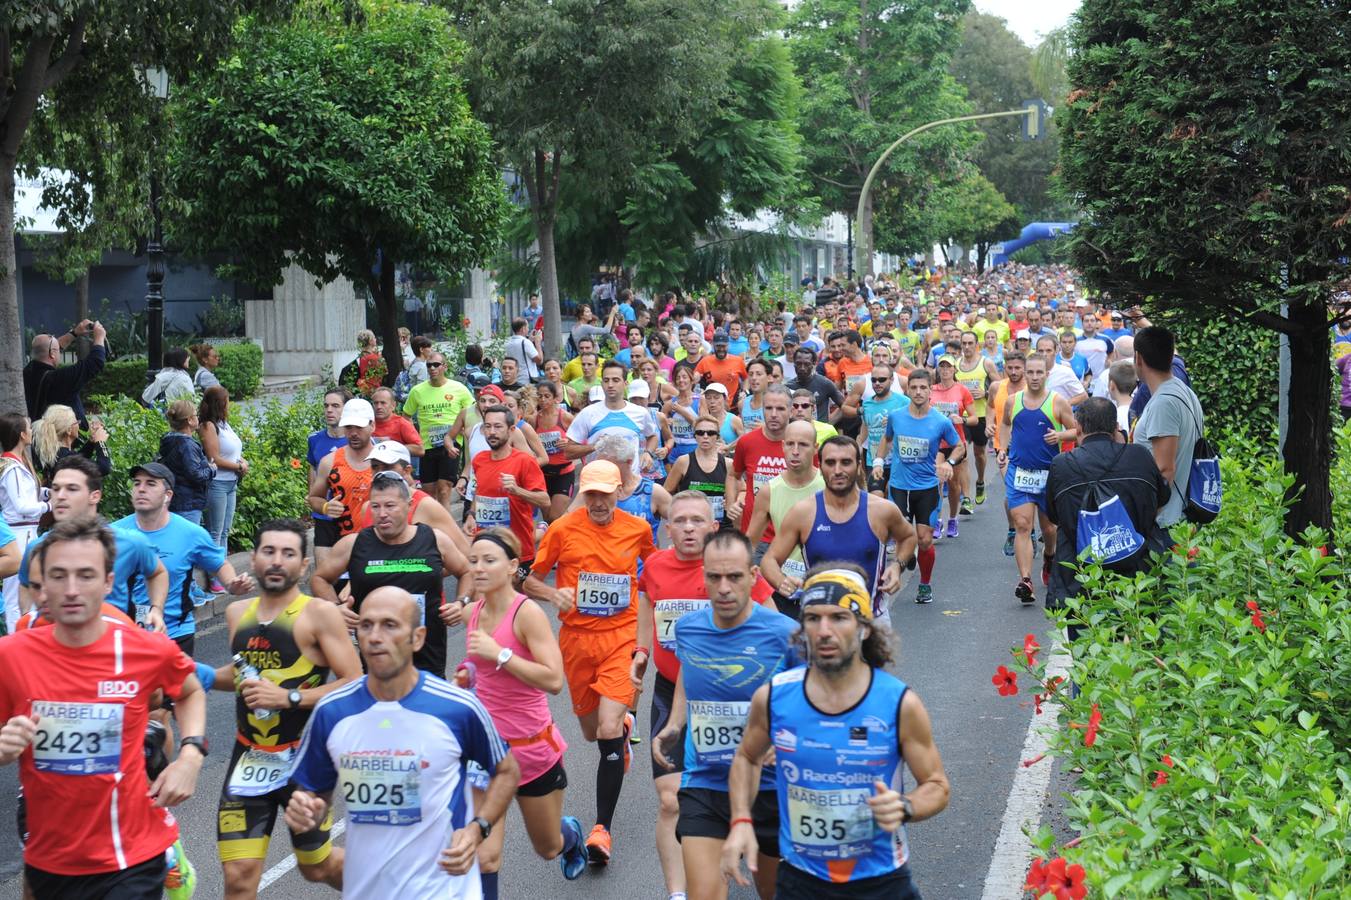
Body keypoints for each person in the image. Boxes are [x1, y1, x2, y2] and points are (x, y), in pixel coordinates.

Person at [0, 516, 208, 900]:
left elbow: (190, 690)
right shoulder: (10, 656)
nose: (72, 590)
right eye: (59, 576)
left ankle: (168, 851)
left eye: (86, 575)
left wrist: (191, 756)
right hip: (50, 858)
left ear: (108, 582)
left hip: (131, 854)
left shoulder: (144, 648)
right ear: (41, 585)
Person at [721, 565, 951, 900]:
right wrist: (741, 820)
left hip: (881, 882)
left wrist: (905, 806)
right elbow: (746, 757)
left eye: (839, 618)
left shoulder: (898, 703)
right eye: (813, 618)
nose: (824, 631)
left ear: (864, 628)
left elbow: (937, 785)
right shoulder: (773, 697)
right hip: (801, 882)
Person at [284, 586, 521, 900]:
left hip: (445, 890)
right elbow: (314, 795)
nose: (375, 636)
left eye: (389, 625)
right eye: (366, 625)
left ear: (417, 637)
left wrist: (478, 828)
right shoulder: (332, 712)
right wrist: (308, 814)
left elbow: (507, 771)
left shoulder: (457, 708)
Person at [631, 492, 772, 900]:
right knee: (670, 800)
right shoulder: (655, 566)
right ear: (667, 528)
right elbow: (647, 603)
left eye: (697, 520)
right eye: (680, 521)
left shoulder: (729, 568)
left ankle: (723, 855)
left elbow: (775, 628)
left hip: (732, 700)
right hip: (672, 691)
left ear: (713, 527)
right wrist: (641, 651)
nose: (688, 528)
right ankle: (679, 892)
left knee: (729, 789)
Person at [212, 519, 361, 900]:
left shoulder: (320, 614)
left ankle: (387, 887)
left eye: (288, 553)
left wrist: (288, 698)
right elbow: (243, 674)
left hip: (305, 762)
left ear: (304, 565)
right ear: (254, 559)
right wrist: (196, 676)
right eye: (269, 551)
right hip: (249, 758)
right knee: (239, 876)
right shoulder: (237, 613)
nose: (277, 561)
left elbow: (353, 682)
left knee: (316, 866)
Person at [522, 460, 657, 865]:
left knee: (608, 728)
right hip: (577, 641)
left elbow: (654, 574)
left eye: (606, 494)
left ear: (619, 492)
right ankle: (620, 733)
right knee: (591, 731)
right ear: (583, 492)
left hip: (621, 636)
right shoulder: (563, 529)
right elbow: (529, 579)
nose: (599, 502)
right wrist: (552, 595)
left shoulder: (638, 529)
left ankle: (602, 830)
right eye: (592, 494)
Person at [652, 530, 798, 900]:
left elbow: (813, 698)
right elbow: (688, 672)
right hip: (706, 782)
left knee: (775, 893)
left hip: (770, 787)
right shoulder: (688, 628)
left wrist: (788, 739)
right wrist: (675, 722)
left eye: (734, 576)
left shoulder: (785, 634)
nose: (724, 588)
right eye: (714, 577)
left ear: (753, 575)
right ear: (703, 576)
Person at [460, 529, 590, 894]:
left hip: (530, 750)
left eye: (489, 560)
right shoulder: (473, 612)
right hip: (486, 753)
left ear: (512, 566)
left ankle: (569, 835)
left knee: (547, 847)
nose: (479, 568)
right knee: (484, 857)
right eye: (473, 561)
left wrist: (499, 653)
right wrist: (465, 676)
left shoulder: (527, 614)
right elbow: (480, 671)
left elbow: (554, 680)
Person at [312, 472, 467, 677]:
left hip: (428, 656)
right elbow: (319, 578)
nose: (382, 513)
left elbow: (466, 571)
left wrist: (461, 603)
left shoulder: (434, 540)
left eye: (390, 506)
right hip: (377, 659)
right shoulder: (354, 544)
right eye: (375, 506)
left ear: (409, 505)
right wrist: (335, 607)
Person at [762, 437, 915, 627]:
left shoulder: (882, 510)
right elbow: (769, 560)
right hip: (822, 625)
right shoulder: (803, 513)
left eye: (846, 462)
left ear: (859, 466)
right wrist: (782, 582)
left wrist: (898, 565)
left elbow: (908, 537)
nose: (837, 470)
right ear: (820, 466)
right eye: (830, 462)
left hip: (872, 622)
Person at [1046, 398, 1171, 627]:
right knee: (1141, 636)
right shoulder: (1139, 456)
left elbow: (1054, 515)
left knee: (1086, 641)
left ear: (1078, 428)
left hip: (1082, 579)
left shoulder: (1061, 465)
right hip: (1137, 572)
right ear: (1115, 428)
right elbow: (1162, 499)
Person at [114, 461, 254, 654]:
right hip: (127, 635)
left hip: (175, 633)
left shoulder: (190, 533)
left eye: (151, 484)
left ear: (168, 495)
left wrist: (232, 584)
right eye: (137, 483)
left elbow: (219, 564)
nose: (141, 489)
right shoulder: (113, 533)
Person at [18, 455, 169, 631]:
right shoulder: (37, 548)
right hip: (57, 641)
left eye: (71, 489)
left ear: (95, 496)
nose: (60, 496)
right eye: (56, 489)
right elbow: (26, 584)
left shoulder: (130, 542)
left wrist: (156, 610)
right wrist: (27, 619)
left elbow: (157, 572)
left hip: (114, 640)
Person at [875, 369, 964, 604]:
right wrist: (878, 461)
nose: (918, 392)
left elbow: (959, 446)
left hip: (926, 488)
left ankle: (924, 583)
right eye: (913, 387)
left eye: (923, 387)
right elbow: (887, 438)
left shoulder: (941, 421)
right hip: (899, 487)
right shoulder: (896, 417)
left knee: (924, 540)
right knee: (900, 535)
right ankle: (907, 552)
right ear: (908, 390)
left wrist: (949, 463)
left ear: (930, 390)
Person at [998, 355, 1079, 603]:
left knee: (1050, 529)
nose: (1034, 377)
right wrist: (1002, 449)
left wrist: (1061, 436)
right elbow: (1005, 424)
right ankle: (1026, 580)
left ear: (1046, 374)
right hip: (1019, 472)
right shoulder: (1013, 401)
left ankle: (1049, 556)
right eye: (1030, 372)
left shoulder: (1057, 401)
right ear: (1025, 374)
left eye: (1038, 373)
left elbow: (1077, 430)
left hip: (1049, 475)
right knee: (1022, 525)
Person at [1131, 325, 1205, 534]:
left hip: (1167, 524)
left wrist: (1145, 518)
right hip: (1181, 518)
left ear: (1138, 358)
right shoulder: (1184, 391)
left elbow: (1165, 470)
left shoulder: (1163, 403)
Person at [744, 420, 822, 616]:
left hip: (823, 585)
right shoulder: (769, 490)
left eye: (803, 445)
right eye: (790, 444)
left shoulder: (828, 485)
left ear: (815, 448)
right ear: (783, 446)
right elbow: (750, 542)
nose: (795, 451)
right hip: (784, 585)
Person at [470, 405, 550, 574]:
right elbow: (480, 491)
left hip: (517, 548)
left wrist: (517, 490)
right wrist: (471, 515)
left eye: (498, 426)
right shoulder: (479, 460)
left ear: (511, 430)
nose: (492, 432)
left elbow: (545, 501)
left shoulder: (525, 461)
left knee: (517, 592)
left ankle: (542, 530)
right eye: (488, 426)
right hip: (487, 547)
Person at [403, 350, 475, 512]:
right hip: (427, 446)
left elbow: (472, 412)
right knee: (428, 492)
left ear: (445, 367)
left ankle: (445, 525)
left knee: (444, 488)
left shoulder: (459, 388)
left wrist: (464, 429)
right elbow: (406, 416)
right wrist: (414, 436)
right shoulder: (417, 391)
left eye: (436, 365)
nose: (432, 368)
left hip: (451, 445)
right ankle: (433, 523)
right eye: (429, 365)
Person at [565, 360, 659, 476]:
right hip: (599, 481)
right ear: (601, 383)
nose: (610, 385)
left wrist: (648, 453)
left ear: (625, 383)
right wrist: (594, 446)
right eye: (606, 380)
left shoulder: (640, 412)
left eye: (615, 380)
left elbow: (653, 436)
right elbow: (568, 452)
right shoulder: (588, 413)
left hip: (630, 482)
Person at [0, 414, 49, 631]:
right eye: (29, 428)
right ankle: (14, 639)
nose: (31, 431)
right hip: (18, 535)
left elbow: (27, 495)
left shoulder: (16, 464)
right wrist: (49, 506)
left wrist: (46, 493)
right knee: (14, 594)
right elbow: (22, 506)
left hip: (26, 533)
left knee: (29, 588)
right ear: (21, 434)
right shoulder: (12, 468)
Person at [306, 398, 376, 538]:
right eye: (348, 427)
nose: (353, 433)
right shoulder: (329, 462)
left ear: (372, 426)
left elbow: (410, 496)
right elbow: (314, 498)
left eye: (359, 427)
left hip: (381, 541)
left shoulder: (386, 460)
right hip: (343, 540)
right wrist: (326, 507)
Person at [199, 385, 247, 576]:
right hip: (217, 483)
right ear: (219, 404)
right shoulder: (208, 426)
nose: (229, 405)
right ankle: (214, 576)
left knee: (225, 530)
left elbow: (233, 450)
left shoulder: (224, 424)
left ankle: (223, 572)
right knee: (215, 532)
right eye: (226, 401)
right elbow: (214, 459)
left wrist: (242, 461)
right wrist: (238, 467)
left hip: (231, 483)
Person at [23, 319, 106, 425]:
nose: (60, 351)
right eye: (58, 350)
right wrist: (99, 337)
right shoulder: (58, 379)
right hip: (64, 434)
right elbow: (95, 362)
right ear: (52, 354)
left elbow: (49, 348)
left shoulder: (27, 372)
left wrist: (74, 333)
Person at [987, 351, 1027, 557]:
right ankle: (1014, 530)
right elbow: (990, 406)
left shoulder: (1032, 388)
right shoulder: (996, 387)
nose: (1013, 371)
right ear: (1004, 368)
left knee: (1027, 492)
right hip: (1003, 446)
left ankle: (1027, 529)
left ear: (1024, 369)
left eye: (1017, 368)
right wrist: (989, 424)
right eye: (1010, 368)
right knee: (1012, 490)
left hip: (1028, 447)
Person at [664, 415, 738, 526]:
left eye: (711, 433)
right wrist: (678, 511)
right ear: (695, 436)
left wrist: (732, 502)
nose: (705, 436)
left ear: (717, 436)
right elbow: (666, 492)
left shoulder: (728, 464)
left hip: (721, 525)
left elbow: (743, 491)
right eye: (700, 433)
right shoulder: (683, 462)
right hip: (691, 525)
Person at [307, 388, 352, 566]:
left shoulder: (356, 440)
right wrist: (312, 498)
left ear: (346, 409)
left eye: (335, 406)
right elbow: (313, 467)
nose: (329, 410)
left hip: (350, 516)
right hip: (324, 516)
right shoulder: (314, 439)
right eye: (326, 406)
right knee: (323, 571)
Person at [955, 333, 999, 505]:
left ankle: (980, 481)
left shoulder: (986, 363)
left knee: (979, 454)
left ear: (976, 345)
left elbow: (999, 387)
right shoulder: (955, 365)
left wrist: (985, 393)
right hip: (962, 416)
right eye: (964, 343)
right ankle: (966, 496)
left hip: (980, 415)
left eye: (970, 343)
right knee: (963, 454)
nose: (967, 347)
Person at [157, 399, 214, 527]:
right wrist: (211, 469)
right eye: (196, 415)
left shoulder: (168, 440)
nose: (198, 417)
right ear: (189, 420)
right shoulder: (187, 445)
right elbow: (195, 474)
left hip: (173, 500)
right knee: (188, 536)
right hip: (188, 504)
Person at [857, 363, 908, 497]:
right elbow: (866, 426)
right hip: (873, 459)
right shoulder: (867, 403)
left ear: (891, 380)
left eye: (882, 380)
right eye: (874, 380)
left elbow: (913, 427)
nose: (877, 383)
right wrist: (859, 444)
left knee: (891, 494)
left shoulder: (904, 402)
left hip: (897, 460)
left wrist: (896, 424)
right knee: (876, 496)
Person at [530, 381, 576, 522]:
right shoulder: (534, 419)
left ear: (555, 398)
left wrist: (568, 442)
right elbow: (528, 443)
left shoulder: (565, 417)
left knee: (555, 517)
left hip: (564, 473)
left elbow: (581, 440)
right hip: (543, 474)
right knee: (546, 519)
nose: (543, 400)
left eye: (547, 396)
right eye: (540, 396)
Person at [31, 403, 110, 482]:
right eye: (76, 422)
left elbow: (79, 459)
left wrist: (91, 442)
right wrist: (101, 442)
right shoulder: (68, 459)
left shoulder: (55, 452)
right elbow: (103, 468)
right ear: (69, 430)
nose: (79, 425)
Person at [785, 347, 843, 423]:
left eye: (807, 364)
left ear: (814, 364)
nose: (802, 368)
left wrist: (829, 424)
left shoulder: (824, 383)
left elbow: (844, 406)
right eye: (799, 364)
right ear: (794, 364)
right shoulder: (788, 387)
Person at [370, 386, 425, 460]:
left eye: (383, 403)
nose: (379, 407)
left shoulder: (402, 424)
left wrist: (392, 446)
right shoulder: (366, 424)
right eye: (376, 403)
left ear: (393, 405)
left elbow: (420, 450)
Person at [694, 332, 747, 401]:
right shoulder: (705, 361)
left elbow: (746, 378)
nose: (721, 349)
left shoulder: (738, 361)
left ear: (728, 345)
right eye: (718, 346)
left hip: (732, 405)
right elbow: (694, 379)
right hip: (711, 404)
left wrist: (744, 391)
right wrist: (698, 389)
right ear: (713, 345)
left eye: (723, 346)